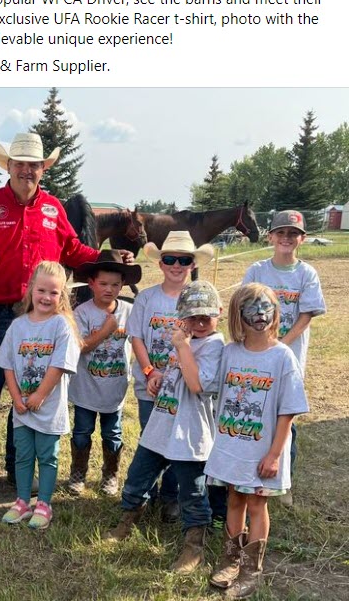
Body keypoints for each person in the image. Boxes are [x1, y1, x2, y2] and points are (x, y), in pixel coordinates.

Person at [0, 132, 125, 500]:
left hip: (38, 316)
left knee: (31, 390)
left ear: (43, 170)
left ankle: (20, 468)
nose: (27, 171)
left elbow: (74, 249)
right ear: (9, 166)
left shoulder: (52, 209)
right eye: (21, 164)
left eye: (34, 165)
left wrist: (106, 260)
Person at [107, 280, 225, 575]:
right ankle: (128, 519)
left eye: (205, 317)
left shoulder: (214, 346)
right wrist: (160, 377)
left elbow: (197, 384)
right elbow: (179, 374)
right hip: (163, 423)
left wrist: (182, 345)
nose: (198, 322)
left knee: (193, 490)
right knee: (138, 475)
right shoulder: (183, 340)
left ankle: (193, 545)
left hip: (190, 433)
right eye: (192, 316)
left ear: (219, 314)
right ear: (180, 314)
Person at [205, 283, 308, 598]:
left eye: (266, 307)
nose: (260, 314)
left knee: (256, 504)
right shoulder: (229, 352)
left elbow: (288, 412)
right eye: (252, 307)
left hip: (263, 451)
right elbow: (207, 385)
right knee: (234, 500)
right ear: (238, 314)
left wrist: (275, 454)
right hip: (233, 447)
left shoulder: (282, 357)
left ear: (276, 311)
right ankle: (231, 560)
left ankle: (252, 569)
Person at [125, 230, 215, 522]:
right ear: (160, 263)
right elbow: (136, 336)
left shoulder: (199, 300)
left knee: (180, 444)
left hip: (185, 389)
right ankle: (144, 494)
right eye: (170, 259)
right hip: (150, 385)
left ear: (192, 264)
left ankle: (171, 497)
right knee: (151, 437)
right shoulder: (147, 298)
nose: (176, 265)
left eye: (184, 260)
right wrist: (150, 371)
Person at [242, 210, 325, 506]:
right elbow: (243, 305)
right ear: (271, 236)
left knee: (285, 415)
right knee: (255, 408)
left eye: (293, 233)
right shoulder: (257, 270)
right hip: (255, 352)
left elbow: (306, 315)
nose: (286, 238)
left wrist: (281, 344)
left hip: (289, 354)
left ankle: (283, 482)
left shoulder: (306, 274)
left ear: (301, 238)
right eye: (281, 233)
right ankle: (248, 472)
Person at [0, 261, 81, 529]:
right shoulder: (18, 325)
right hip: (22, 408)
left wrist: (40, 395)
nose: (46, 297)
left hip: (48, 407)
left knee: (47, 456)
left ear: (62, 295)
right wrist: (16, 398)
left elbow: (57, 366)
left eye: (54, 293)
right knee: (22, 455)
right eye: (41, 290)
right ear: (31, 289)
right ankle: (22, 502)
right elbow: (7, 363)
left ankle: (44, 504)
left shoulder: (61, 326)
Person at [67, 250, 142, 496]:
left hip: (115, 389)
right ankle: (78, 473)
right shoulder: (82, 313)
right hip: (86, 389)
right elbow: (79, 347)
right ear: (91, 283)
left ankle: (110, 474)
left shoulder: (129, 312)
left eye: (115, 284)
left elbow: (141, 342)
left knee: (113, 435)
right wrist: (106, 330)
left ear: (122, 285)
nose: (108, 289)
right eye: (103, 284)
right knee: (81, 432)